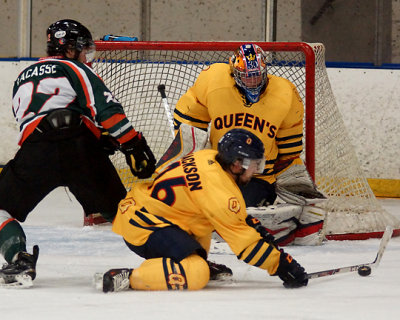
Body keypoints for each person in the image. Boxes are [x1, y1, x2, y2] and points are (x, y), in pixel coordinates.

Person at [0, 19, 156, 287]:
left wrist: (98, 137)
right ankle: (174, 254)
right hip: (79, 148)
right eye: (84, 49)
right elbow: (105, 109)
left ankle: (18, 259)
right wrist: (132, 144)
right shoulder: (75, 68)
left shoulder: (21, 78)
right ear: (71, 48)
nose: (87, 56)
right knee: (123, 211)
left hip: (36, 152)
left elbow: (32, 121)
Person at [159, 43, 326, 247]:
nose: (253, 81)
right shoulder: (214, 80)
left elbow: (289, 150)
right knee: (196, 209)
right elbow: (188, 122)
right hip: (218, 172)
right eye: (247, 76)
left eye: (257, 75)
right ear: (234, 73)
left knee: (235, 213)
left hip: (258, 176)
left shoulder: (285, 93)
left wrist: (290, 181)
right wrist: (193, 157)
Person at [100, 129, 308, 292]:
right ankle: (128, 277)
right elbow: (245, 246)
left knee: (202, 220)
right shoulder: (221, 192)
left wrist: (251, 226)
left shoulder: (208, 156)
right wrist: (281, 265)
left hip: (148, 209)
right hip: (144, 225)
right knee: (196, 274)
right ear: (237, 164)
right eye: (254, 164)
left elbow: (228, 216)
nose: (256, 170)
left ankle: (193, 261)